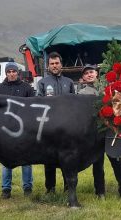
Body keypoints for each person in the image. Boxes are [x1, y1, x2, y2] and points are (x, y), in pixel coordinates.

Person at [77, 64, 121, 201]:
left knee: (117, 162)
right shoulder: (80, 94)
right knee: (97, 164)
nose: (89, 75)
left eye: (92, 72)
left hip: (111, 132)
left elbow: (119, 108)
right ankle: (100, 192)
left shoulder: (109, 88)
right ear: (83, 77)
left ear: (97, 74)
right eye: (86, 73)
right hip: (94, 134)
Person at [0, 62, 34, 198]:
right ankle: (6, 189)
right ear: (6, 73)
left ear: (18, 72)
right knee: (6, 160)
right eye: (9, 71)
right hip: (6, 129)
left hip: (24, 129)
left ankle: (27, 188)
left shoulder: (26, 87)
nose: (11, 74)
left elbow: (33, 107)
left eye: (14, 71)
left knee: (27, 159)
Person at [37, 52, 75, 193]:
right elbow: (38, 104)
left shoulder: (69, 82)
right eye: (52, 64)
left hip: (66, 128)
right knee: (49, 159)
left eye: (57, 63)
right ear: (48, 66)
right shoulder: (42, 83)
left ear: (61, 64)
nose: (54, 66)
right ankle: (50, 188)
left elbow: (73, 105)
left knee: (67, 158)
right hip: (49, 128)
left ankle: (67, 187)